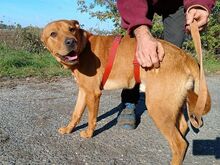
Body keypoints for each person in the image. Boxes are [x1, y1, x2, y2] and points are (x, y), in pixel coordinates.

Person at [116, 0, 216, 129]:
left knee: (173, 54)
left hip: (176, 3)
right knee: (135, 48)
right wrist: (140, 31)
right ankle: (129, 101)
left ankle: (171, 103)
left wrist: (198, 3)